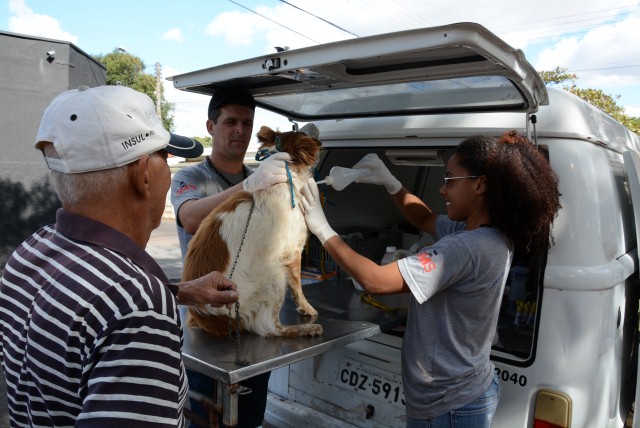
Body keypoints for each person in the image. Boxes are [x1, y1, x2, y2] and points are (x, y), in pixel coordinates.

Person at [0, 85, 240, 427]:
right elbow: (118, 306)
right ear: (143, 175)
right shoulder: (139, 305)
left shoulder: (30, 252)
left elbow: (83, 305)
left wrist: (180, 291)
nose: (168, 171)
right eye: (165, 158)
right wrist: (154, 298)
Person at [300, 131, 561, 427]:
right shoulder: (487, 234)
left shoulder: (464, 248)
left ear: (480, 185)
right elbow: (424, 219)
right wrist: (393, 185)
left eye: (450, 179)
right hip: (464, 391)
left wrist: (323, 229)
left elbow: (376, 281)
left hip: (449, 406)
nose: (442, 190)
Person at [170, 88, 287, 428]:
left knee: (250, 418)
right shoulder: (191, 177)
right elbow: (190, 218)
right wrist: (250, 186)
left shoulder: (260, 176)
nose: (240, 130)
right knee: (207, 420)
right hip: (207, 326)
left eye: (247, 123)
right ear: (211, 125)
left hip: (252, 325)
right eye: (230, 121)